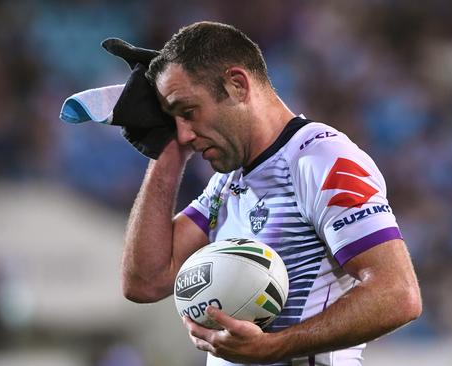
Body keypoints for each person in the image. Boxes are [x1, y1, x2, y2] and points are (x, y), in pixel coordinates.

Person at [122, 21, 422, 366]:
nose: (186, 133)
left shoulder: (322, 160)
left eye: (189, 112)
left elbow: (398, 294)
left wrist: (273, 346)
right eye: (174, 119)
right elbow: (146, 281)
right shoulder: (228, 181)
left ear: (237, 85)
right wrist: (166, 151)